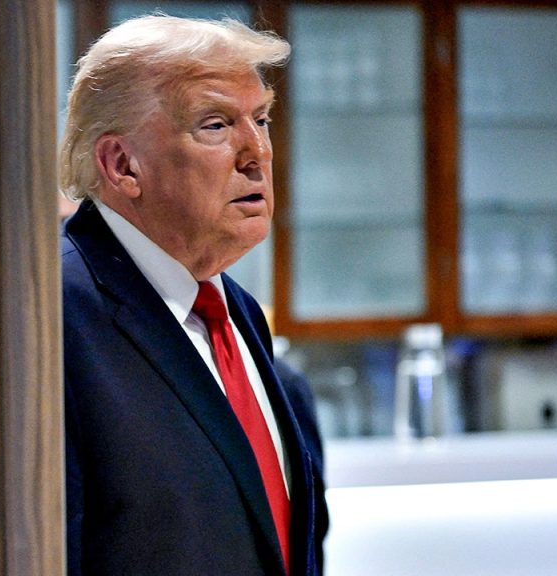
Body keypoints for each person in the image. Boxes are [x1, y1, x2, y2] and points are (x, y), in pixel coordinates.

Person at [59, 15, 328, 576]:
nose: (257, 152)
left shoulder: (235, 310)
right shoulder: (55, 315)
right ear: (122, 165)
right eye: (215, 125)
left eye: (261, 119)